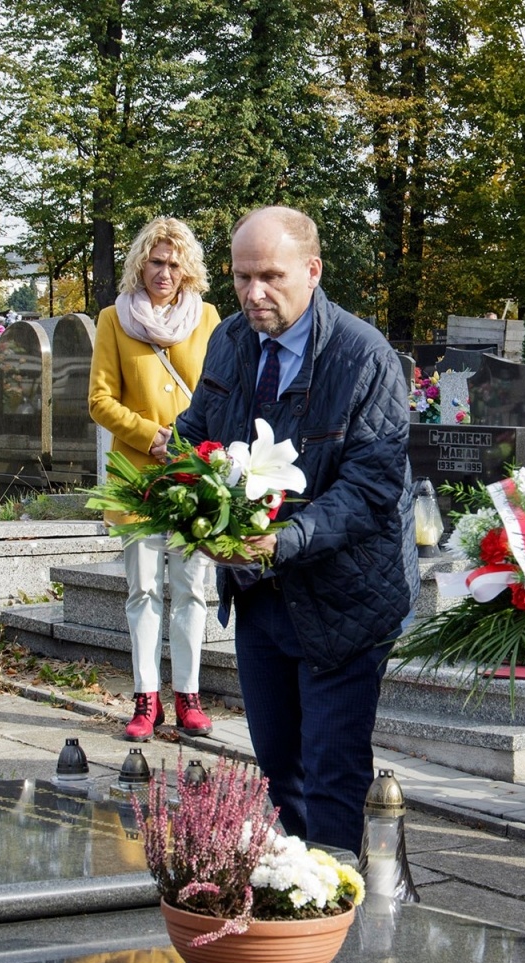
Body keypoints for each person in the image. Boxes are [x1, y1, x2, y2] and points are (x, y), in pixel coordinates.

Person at [172, 206, 417, 854]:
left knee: (333, 782)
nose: (254, 293)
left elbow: (370, 489)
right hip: (259, 595)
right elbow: (196, 434)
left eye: (271, 277)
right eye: (242, 276)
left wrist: (285, 540)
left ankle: (338, 922)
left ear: (312, 271)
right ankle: (296, 918)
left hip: (346, 599)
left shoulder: (364, 357)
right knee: (281, 772)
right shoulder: (228, 341)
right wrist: (186, 502)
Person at [88, 217, 221, 741]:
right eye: (156, 261)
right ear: (140, 263)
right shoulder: (113, 320)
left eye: (174, 263)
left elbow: (220, 390)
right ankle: (146, 698)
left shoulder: (208, 318)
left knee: (191, 588)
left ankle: (188, 694)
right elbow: (100, 399)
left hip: (194, 474)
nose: (164, 272)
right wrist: (150, 435)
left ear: (187, 269)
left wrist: (193, 443)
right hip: (137, 475)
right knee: (143, 589)